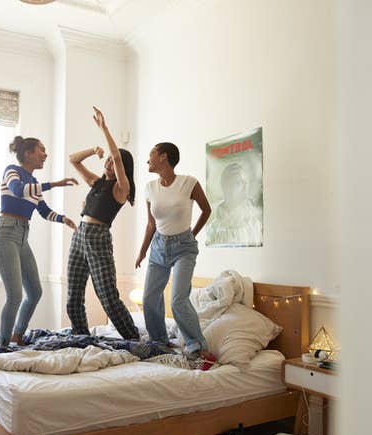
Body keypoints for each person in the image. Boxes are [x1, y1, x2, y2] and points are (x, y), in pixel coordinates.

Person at [0, 136, 78, 348]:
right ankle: (2, 345)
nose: (45, 154)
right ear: (28, 153)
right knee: (15, 296)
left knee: (35, 292)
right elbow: (17, 190)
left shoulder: (34, 184)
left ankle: (17, 335)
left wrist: (63, 219)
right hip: (5, 233)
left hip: (22, 236)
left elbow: (43, 211)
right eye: (41, 149)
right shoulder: (12, 170)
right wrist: (55, 184)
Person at [65, 107, 140, 341]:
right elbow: (73, 160)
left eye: (111, 160)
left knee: (106, 294)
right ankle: (81, 337)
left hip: (98, 237)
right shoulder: (97, 182)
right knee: (73, 294)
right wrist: (92, 150)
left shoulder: (121, 189)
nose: (108, 161)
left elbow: (118, 156)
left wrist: (104, 129)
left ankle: (132, 337)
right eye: (106, 159)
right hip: (79, 235)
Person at [135, 142, 214, 359]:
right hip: (158, 246)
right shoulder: (150, 188)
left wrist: (192, 234)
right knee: (150, 297)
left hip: (184, 248)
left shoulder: (189, 183)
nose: (147, 159)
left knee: (178, 299)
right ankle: (159, 341)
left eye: (151, 154)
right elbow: (151, 224)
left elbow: (206, 210)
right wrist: (142, 251)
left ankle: (197, 346)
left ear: (163, 157)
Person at [206, 161, 263, 246]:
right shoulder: (213, 229)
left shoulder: (255, 225)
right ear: (225, 187)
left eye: (246, 182)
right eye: (238, 183)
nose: (245, 187)